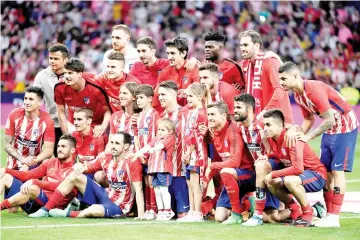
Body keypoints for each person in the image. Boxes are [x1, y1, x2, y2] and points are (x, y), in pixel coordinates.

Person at [278, 62, 359, 227]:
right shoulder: (299, 95)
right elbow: (309, 119)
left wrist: (307, 137)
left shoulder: (313, 89)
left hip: (345, 125)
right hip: (330, 129)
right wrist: (297, 131)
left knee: (337, 171)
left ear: (295, 76)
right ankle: (328, 215)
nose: (282, 82)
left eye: (284, 78)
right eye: (280, 79)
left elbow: (328, 119)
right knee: (327, 172)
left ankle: (334, 217)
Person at [30, 132, 144, 219]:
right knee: (74, 175)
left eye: (117, 143)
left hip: (120, 206)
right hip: (106, 195)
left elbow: (138, 189)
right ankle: (45, 209)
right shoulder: (105, 159)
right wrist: (78, 166)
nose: (113, 146)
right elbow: (85, 168)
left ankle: (67, 213)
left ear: (126, 146)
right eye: (112, 143)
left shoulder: (132, 161)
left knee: (94, 210)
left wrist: (141, 215)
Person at [261, 109, 327, 227]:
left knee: (287, 180)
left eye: (268, 125)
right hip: (298, 176)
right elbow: (279, 154)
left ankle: (308, 214)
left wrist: (273, 173)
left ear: (280, 126)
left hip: (316, 175)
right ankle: (295, 212)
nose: (265, 128)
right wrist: (266, 156)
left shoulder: (292, 138)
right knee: (271, 182)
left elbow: (298, 169)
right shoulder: (272, 139)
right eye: (264, 124)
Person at [202, 101, 255, 224]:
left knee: (226, 171)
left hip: (249, 175)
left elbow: (234, 162)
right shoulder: (214, 132)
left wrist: (213, 166)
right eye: (208, 114)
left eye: (213, 114)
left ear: (223, 116)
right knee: (219, 217)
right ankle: (247, 205)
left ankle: (236, 213)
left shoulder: (233, 131)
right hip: (233, 177)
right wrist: (205, 180)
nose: (209, 118)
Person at [0, 135, 77, 215]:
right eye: (58, 146)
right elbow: (28, 175)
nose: (59, 149)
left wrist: (35, 182)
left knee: (33, 188)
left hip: (50, 206)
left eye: (63, 146)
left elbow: (59, 186)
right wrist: (7, 170)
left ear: (72, 150)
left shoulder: (75, 170)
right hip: (33, 198)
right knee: (6, 177)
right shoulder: (49, 163)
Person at [239, 30, 293, 124]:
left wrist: (265, 111)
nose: (242, 48)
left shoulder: (270, 62)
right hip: (259, 120)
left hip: (278, 120)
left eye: (246, 45)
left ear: (256, 46)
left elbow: (280, 89)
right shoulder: (244, 65)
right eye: (241, 45)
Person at [54, 58, 112, 137]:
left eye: (70, 73)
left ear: (80, 74)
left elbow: (107, 111)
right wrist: (66, 136)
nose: (66, 76)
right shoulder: (59, 87)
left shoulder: (96, 88)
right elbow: (61, 113)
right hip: (74, 123)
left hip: (96, 123)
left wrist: (103, 127)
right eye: (65, 73)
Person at [133, 119, 176, 220]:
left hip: (164, 169)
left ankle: (168, 211)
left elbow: (161, 146)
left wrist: (153, 149)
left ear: (169, 131)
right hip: (154, 169)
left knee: (164, 190)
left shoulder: (170, 138)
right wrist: (138, 153)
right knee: (157, 190)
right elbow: (148, 146)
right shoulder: (156, 139)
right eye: (159, 129)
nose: (160, 131)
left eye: (163, 130)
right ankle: (160, 211)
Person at [158, 81, 190, 218]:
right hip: (165, 171)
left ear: (174, 94)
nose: (160, 97)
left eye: (163, 94)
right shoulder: (162, 116)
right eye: (159, 94)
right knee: (168, 214)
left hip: (180, 171)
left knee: (182, 214)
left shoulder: (185, 113)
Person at [177, 83, 208, 222]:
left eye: (191, 96)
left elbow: (198, 137)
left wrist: (189, 152)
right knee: (189, 183)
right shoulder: (189, 113)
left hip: (197, 154)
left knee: (195, 184)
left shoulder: (202, 113)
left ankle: (198, 212)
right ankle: (191, 211)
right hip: (187, 153)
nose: (188, 98)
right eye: (187, 95)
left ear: (200, 96)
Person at [5, 86, 55, 170]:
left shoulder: (47, 120)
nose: (27, 102)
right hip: (14, 163)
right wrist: (23, 159)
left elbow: (48, 151)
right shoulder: (14, 114)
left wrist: (29, 163)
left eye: (31, 99)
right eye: (25, 98)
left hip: (34, 164)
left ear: (39, 102)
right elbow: (7, 145)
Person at [33, 44, 69, 157]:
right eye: (50, 58)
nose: (52, 61)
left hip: (74, 123)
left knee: (77, 157)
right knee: (60, 156)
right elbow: (35, 98)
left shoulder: (74, 73)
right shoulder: (41, 76)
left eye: (56, 58)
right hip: (54, 124)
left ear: (65, 60)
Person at [132, 84, 160, 220]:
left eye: (141, 97)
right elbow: (136, 135)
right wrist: (138, 152)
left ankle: (154, 210)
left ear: (150, 99)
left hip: (152, 154)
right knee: (145, 180)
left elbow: (156, 136)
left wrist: (147, 152)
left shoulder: (155, 115)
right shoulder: (138, 116)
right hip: (141, 154)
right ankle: (148, 209)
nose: (138, 100)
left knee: (151, 181)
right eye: (137, 98)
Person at [130, 36, 198, 88]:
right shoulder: (136, 66)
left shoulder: (166, 64)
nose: (140, 55)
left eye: (144, 51)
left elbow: (181, 61)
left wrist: (194, 60)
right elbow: (128, 85)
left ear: (153, 51)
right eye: (138, 51)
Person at [157, 36, 200, 107]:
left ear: (183, 53)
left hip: (190, 112)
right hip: (172, 113)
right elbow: (157, 95)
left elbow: (198, 92)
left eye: (173, 53)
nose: (169, 57)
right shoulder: (165, 72)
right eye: (168, 53)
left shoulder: (194, 69)